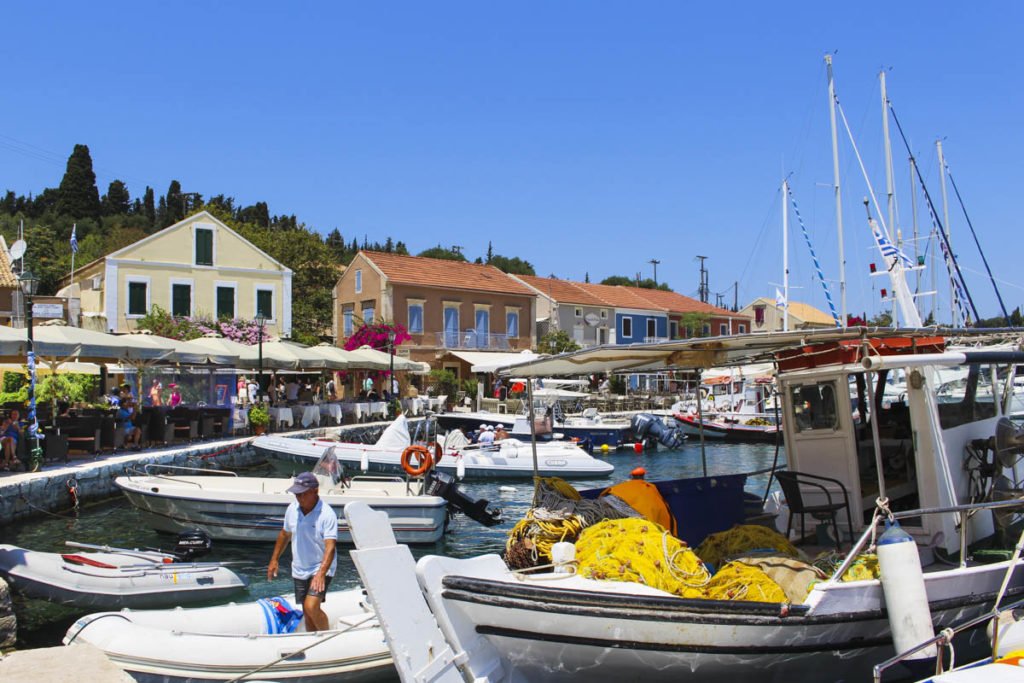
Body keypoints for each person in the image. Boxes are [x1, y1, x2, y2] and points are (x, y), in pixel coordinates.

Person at [267, 472, 337, 632]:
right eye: (296, 494)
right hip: (299, 567)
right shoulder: (292, 509)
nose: (299, 498)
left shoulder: (327, 514)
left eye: (302, 494)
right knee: (307, 611)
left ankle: (328, 636)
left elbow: (330, 546)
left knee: (311, 606)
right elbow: (285, 534)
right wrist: (274, 560)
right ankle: (314, 641)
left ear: (315, 491)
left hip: (321, 567)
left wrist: (321, 573)